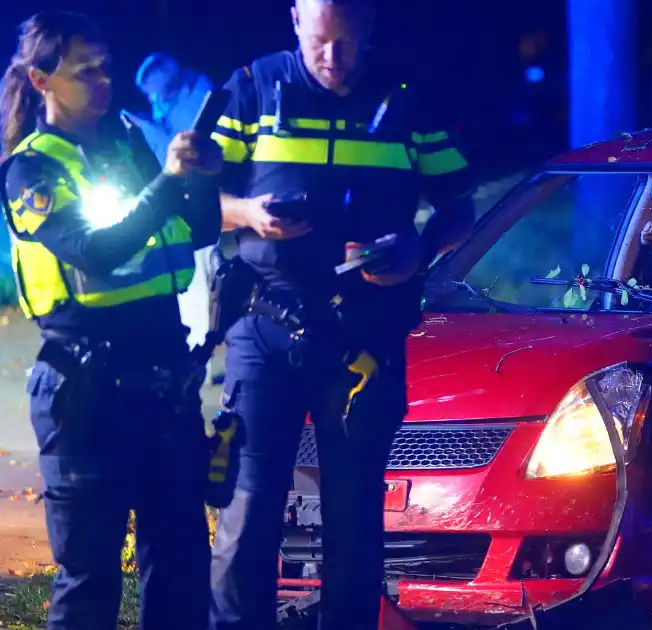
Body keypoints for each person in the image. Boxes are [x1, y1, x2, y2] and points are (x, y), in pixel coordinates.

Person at [207, 0, 476, 628]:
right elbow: (191, 201)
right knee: (248, 510)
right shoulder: (251, 90)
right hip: (265, 323)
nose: (333, 58)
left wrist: (417, 249)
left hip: (365, 334)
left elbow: (458, 207)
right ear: (295, 20)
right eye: (321, 41)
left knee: (354, 516)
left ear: (370, 30)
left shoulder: (407, 101)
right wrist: (249, 214)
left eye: (347, 42)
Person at [0, 10, 223, 630]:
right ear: (41, 81)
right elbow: (95, 251)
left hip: (164, 382)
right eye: (84, 70)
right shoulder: (29, 169)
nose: (103, 80)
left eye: (106, 67)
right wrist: (168, 183)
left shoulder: (126, 141)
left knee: (181, 564)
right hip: (86, 389)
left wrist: (200, 181)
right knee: (91, 579)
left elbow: (197, 229)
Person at [132, 53, 225, 359]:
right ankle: (197, 343)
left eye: (152, 88)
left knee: (202, 270)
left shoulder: (197, 92)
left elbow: (190, 140)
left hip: (196, 191)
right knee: (190, 279)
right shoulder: (166, 100)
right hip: (171, 189)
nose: (152, 96)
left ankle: (204, 345)